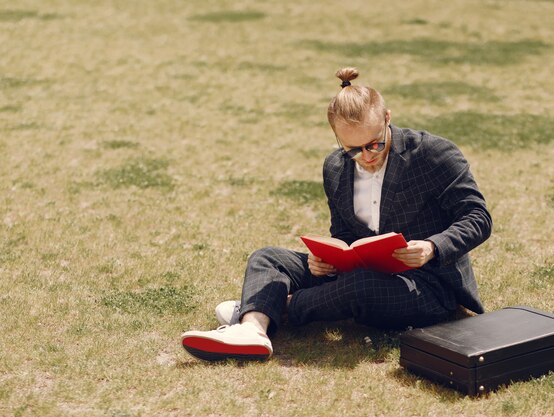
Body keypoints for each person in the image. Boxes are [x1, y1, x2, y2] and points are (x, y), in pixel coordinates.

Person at [181, 67, 492, 362]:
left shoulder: (434, 154)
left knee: (362, 287)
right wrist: (327, 261)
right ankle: (253, 331)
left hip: (426, 286)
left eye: (375, 144)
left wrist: (432, 247)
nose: (367, 157)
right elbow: (344, 235)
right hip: (359, 272)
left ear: (387, 118)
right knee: (267, 258)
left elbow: (477, 217)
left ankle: (269, 308)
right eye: (353, 149)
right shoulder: (335, 167)